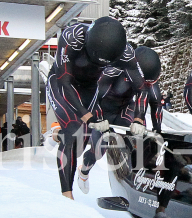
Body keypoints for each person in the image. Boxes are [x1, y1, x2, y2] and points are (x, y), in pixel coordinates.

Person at [46, 17, 132, 199]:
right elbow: (64, 81)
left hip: (89, 87)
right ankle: (67, 196)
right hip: (63, 82)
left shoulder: (126, 54)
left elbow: (142, 88)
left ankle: (56, 135)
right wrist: (86, 116)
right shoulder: (72, 37)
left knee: (81, 144)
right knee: (72, 132)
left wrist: (139, 118)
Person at [72, 44, 163, 194]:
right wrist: (98, 120)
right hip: (100, 110)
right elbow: (92, 99)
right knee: (99, 148)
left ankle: (140, 173)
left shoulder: (147, 77)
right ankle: (84, 171)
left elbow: (155, 103)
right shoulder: (112, 71)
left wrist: (155, 130)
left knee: (140, 135)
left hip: (123, 109)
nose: (146, 85)